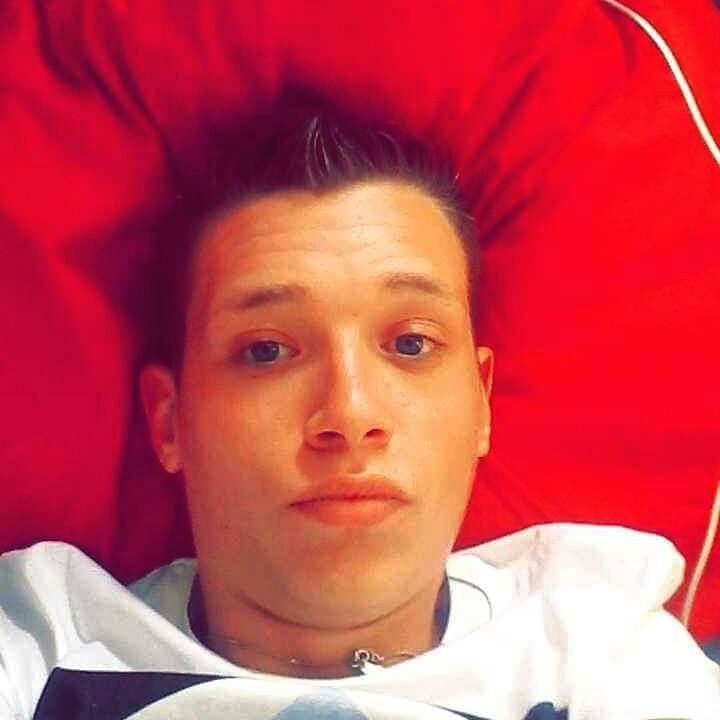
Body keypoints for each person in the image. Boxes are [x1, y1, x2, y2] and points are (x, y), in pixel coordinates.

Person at [0, 93, 718, 720]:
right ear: (169, 421)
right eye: (266, 351)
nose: (349, 413)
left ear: (481, 404)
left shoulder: (593, 647)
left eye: (410, 344)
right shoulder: (45, 642)